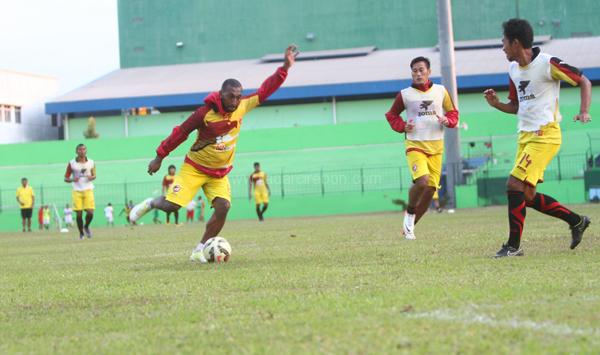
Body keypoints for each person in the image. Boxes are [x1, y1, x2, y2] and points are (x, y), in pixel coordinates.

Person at [130, 45, 297, 263]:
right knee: (172, 206)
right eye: (231, 97)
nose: (235, 101)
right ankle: (151, 203)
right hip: (194, 168)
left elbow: (267, 88)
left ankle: (199, 249)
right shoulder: (204, 114)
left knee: (223, 207)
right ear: (221, 94)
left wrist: (285, 67)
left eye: (238, 96)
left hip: (219, 173)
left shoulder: (243, 106)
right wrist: (160, 156)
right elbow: (181, 132)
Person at [484, 18, 592, 257]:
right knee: (528, 195)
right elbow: (515, 106)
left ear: (515, 42)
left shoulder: (548, 64)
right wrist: (496, 105)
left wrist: (584, 111)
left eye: (504, 42)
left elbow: (584, 80)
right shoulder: (513, 70)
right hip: (525, 137)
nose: (502, 48)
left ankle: (513, 246)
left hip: (545, 135)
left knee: (513, 185)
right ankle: (576, 221)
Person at [385, 56, 459, 240]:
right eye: (414, 71)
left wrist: (448, 121)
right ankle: (409, 212)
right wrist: (402, 126)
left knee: (430, 190)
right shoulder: (405, 94)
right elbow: (391, 115)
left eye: (421, 70)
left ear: (429, 72)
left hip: (436, 146)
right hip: (415, 145)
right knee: (422, 181)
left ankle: (409, 226)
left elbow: (453, 113)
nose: (418, 74)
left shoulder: (441, 91)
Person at [64, 143, 96, 239]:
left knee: (90, 212)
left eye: (83, 149)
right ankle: (81, 232)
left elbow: (94, 175)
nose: (82, 151)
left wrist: (91, 177)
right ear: (76, 151)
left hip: (88, 189)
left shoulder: (91, 162)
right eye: (79, 149)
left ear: (86, 151)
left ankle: (86, 226)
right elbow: (66, 178)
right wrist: (73, 180)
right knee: (79, 214)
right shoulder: (72, 163)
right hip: (77, 190)